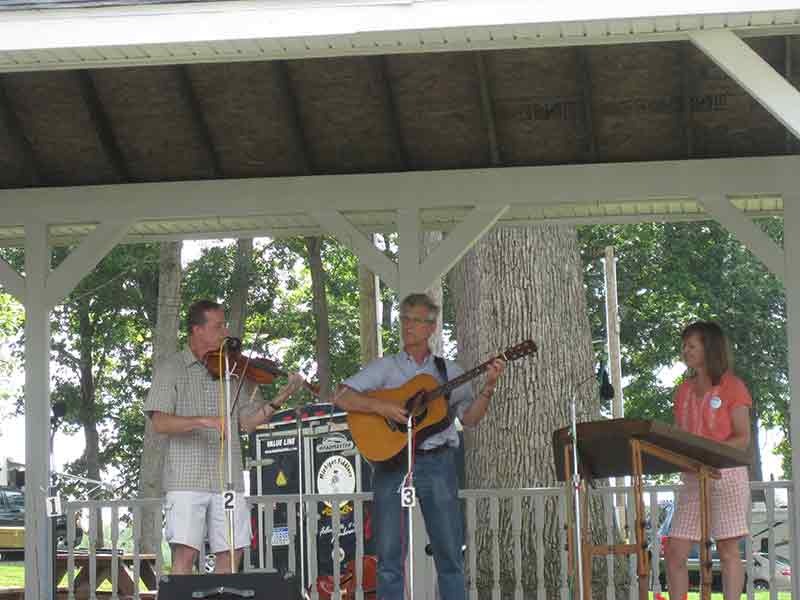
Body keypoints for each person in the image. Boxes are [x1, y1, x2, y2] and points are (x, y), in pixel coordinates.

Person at [334, 293, 505, 600]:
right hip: (392, 464)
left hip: (438, 464)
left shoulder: (449, 372)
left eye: (416, 320)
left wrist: (489, 388)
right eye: (405, 319)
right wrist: (381, 408)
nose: (408, 326)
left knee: (449, 552)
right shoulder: (385, 369)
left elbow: (470, 418)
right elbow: (342, 396)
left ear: (431, 328)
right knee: (389, 556)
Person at [144, 299, 305, 574]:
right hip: (186, 478)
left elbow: (247, 423)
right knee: (185, 552)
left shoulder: (233, 371)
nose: (226, 332)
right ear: (197, 330)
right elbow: (159, 422)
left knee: (232, 550)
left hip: (227, 478)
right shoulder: (172, 368)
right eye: (218, 326)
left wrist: (283, 396)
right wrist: (203, 421)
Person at [664, 321, 752, 600]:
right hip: (692, 477)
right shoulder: (683, 391)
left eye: (692, 345)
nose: (685, 350)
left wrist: (709, 451)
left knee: (727, 551)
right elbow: (679, 434)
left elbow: (742, 437)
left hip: (726, 475)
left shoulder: (733, 386)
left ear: (709, 348)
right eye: (684, 345)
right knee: (675, 550)